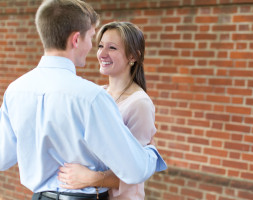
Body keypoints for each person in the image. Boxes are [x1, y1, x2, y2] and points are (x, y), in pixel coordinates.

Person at [0, 1, 167, 200]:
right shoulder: (91, 97)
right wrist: (150, 153)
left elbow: (2, 158)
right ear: (76, 39)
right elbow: (134, 170)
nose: (93, 48)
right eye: (92, 37)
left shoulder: (16, 90)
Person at [57, 22, 158, 200]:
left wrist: (91, 178)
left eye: (112, 48)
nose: (102, 54)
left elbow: (137, 171)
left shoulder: (139, 104)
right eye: (100, 46)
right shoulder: (99, 95)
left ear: (133, 56)